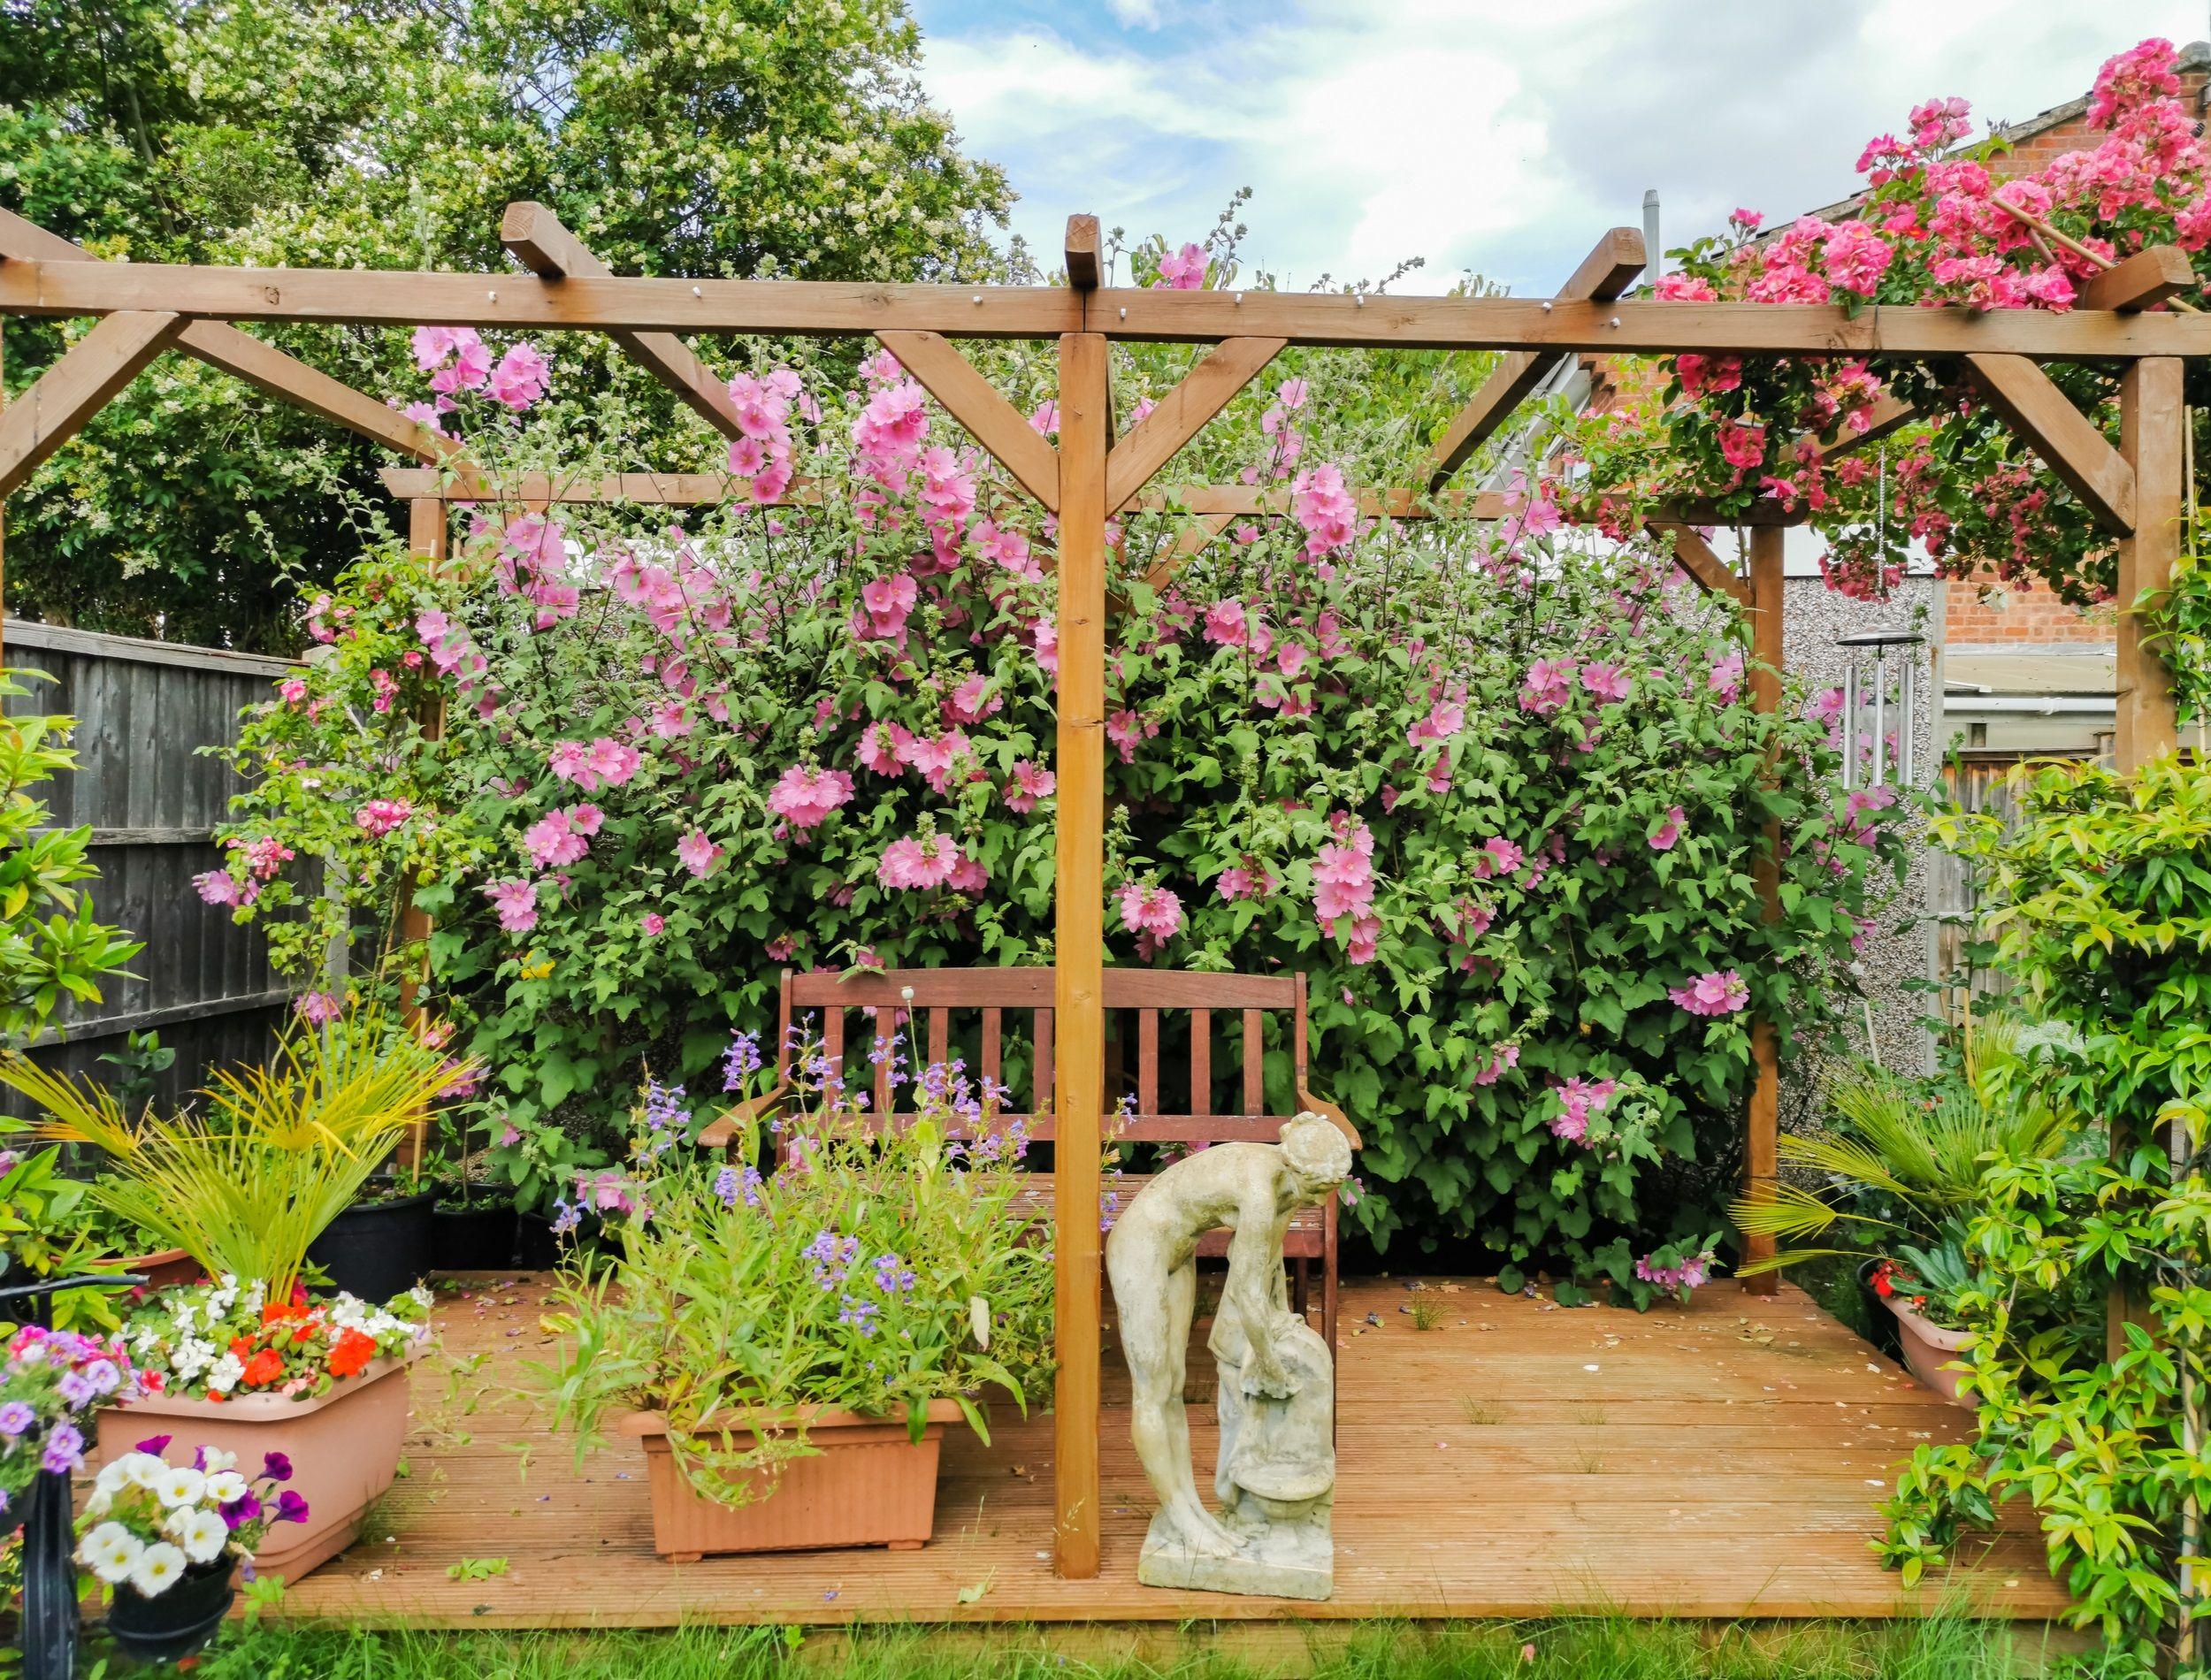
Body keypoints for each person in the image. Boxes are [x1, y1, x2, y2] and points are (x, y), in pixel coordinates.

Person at [1106, 1113, 1354, 1561]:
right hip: (1140, 1244)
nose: (1321, 1200)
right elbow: (1245, 1290)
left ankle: (1191, 1510)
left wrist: (1279, 1321)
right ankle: (1181, 1515)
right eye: (1316, 1188)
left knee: (1174, 1386)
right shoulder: (1258, 1189)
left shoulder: (1287, 1187)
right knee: (1152, 1389)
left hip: (1178, 1250)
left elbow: (1266, 1261)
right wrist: (1271, 1366)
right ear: (1294, 1166)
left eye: (1330, 1189)